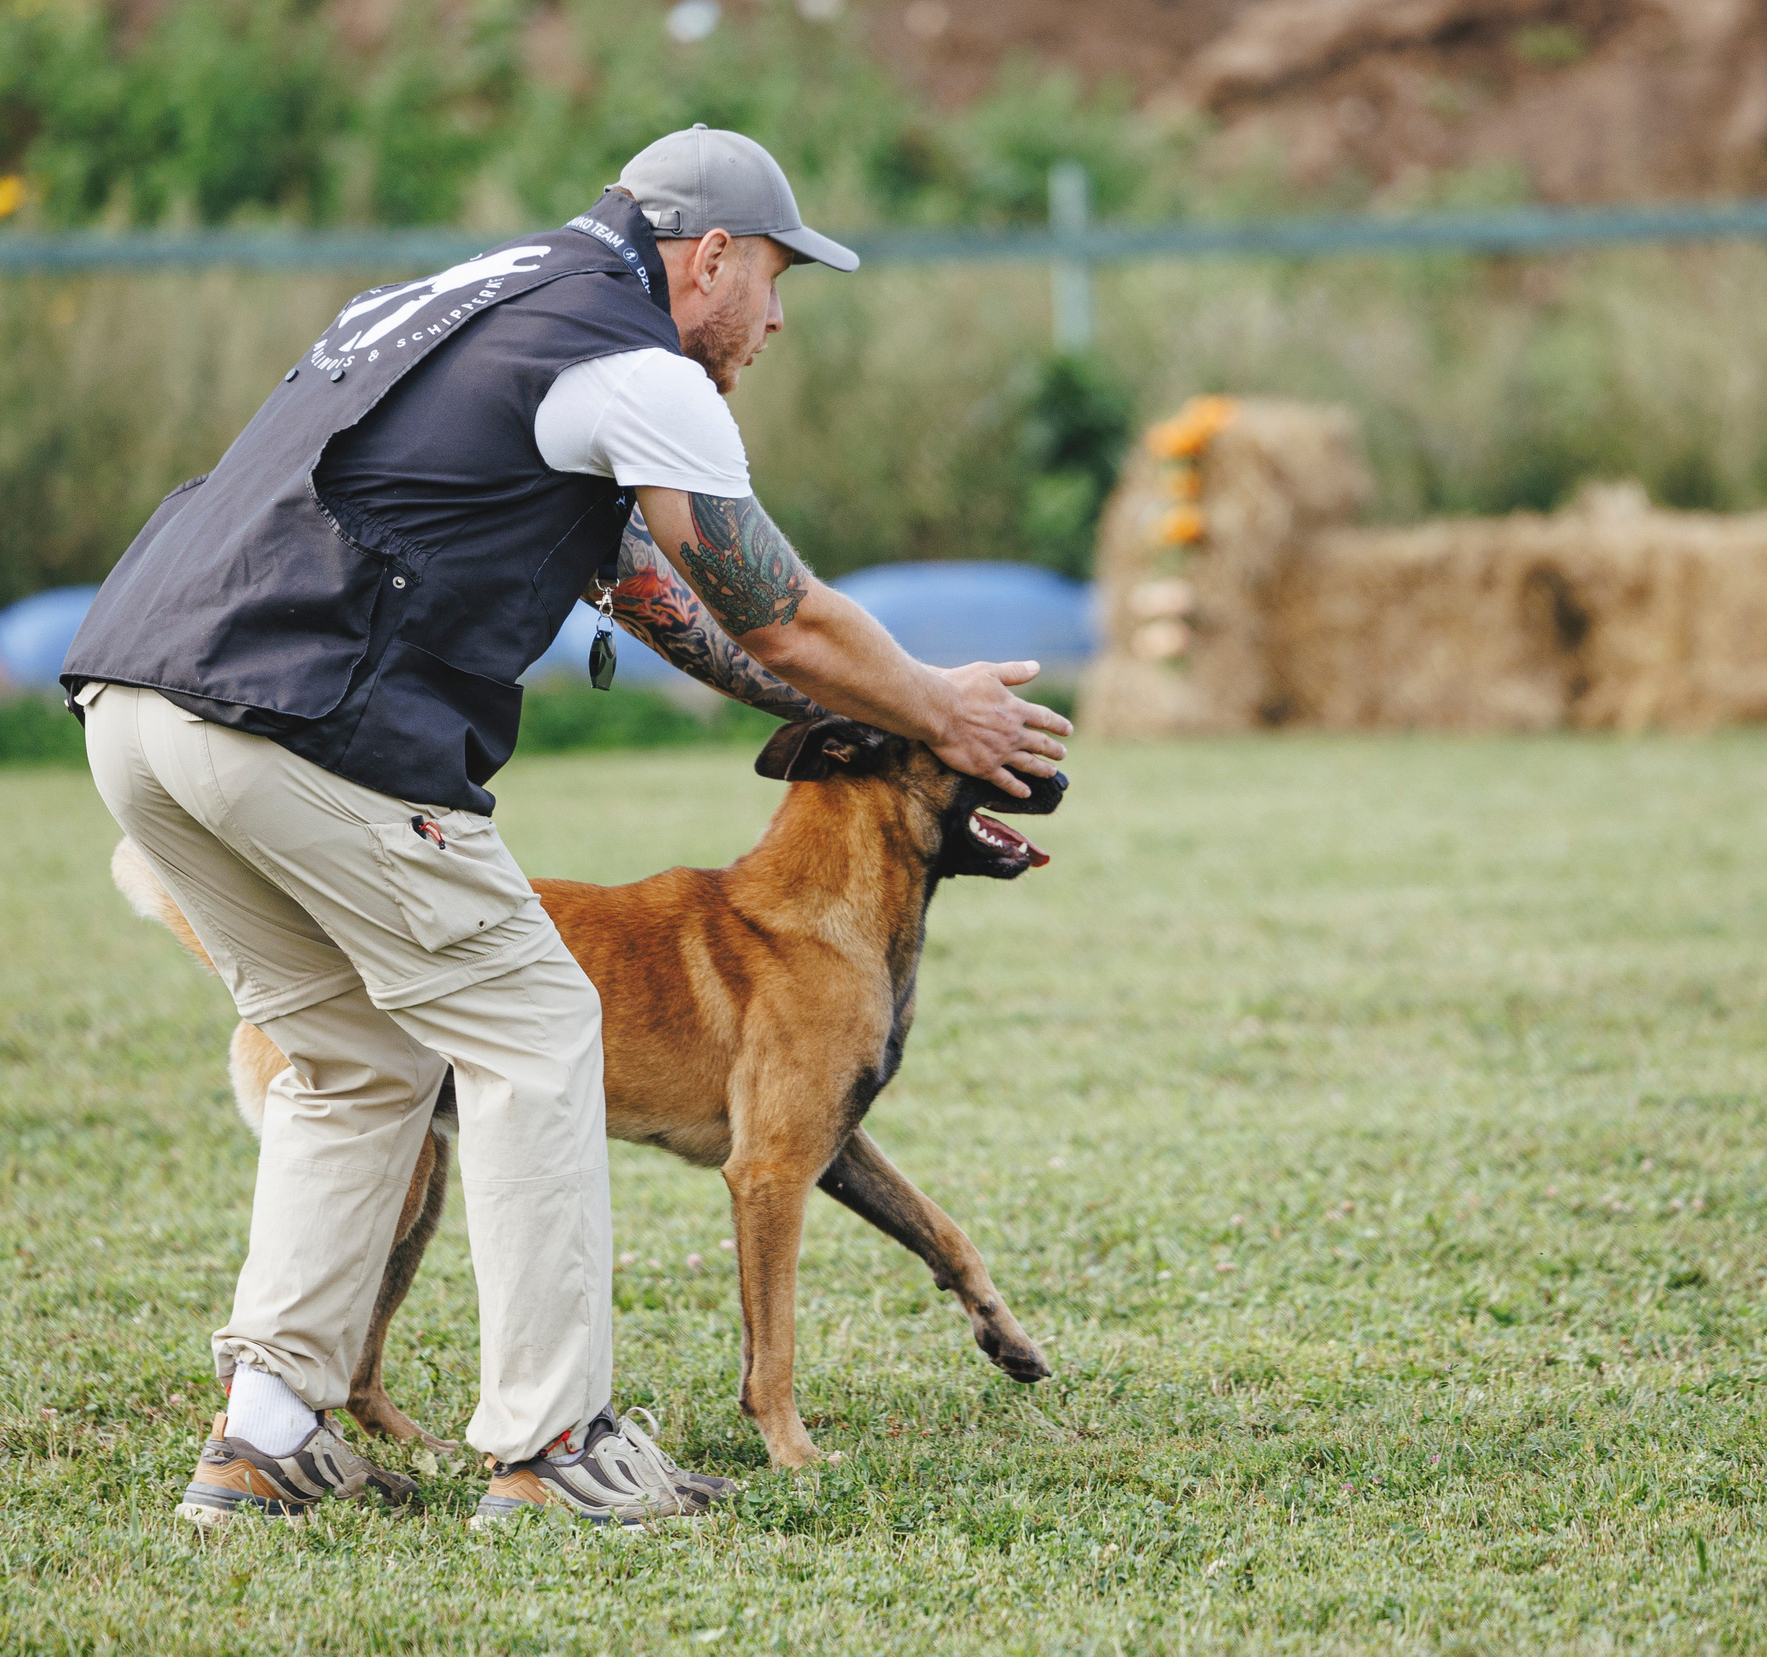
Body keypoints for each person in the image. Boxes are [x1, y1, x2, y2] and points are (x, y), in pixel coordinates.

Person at [60, 126, 1068, 1530]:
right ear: (706, 256)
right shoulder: (638, 362)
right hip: (309, 724)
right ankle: (552, 1449)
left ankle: (267, 1438)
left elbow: (694, 616)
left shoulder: (476, 302)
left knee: (356, 1062)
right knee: (537, 1026)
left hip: (138, 710)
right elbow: (779, 605)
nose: (774, 320)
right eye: (774, 279)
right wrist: (935, 709)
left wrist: (875, 705)